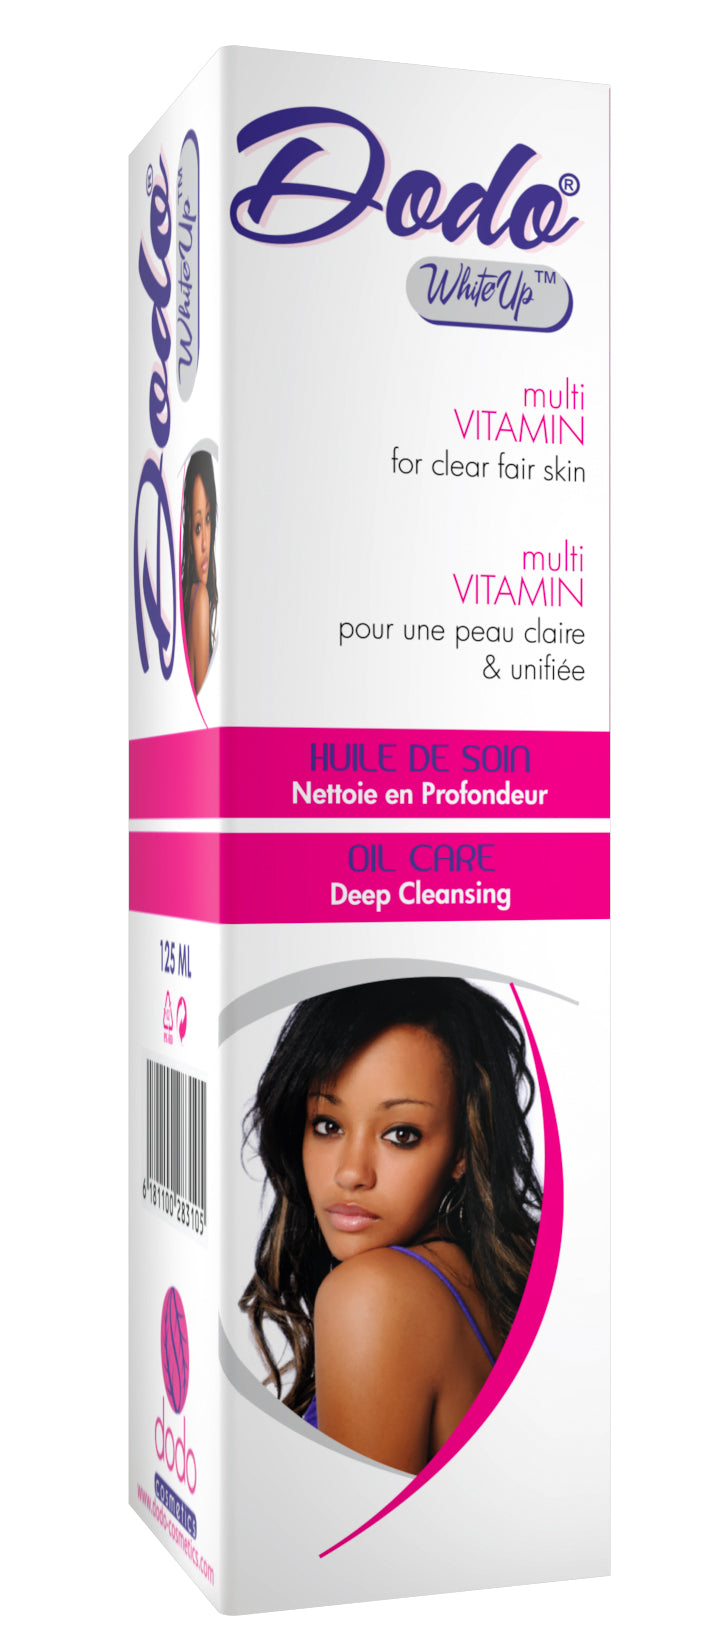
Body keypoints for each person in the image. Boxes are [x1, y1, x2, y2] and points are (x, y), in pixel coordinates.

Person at [240, 977, 541, 1474]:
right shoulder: (470, 1284)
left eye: (401, 1134)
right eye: (328, 1125)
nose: (351, 1173)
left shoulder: (374, 1295)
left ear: (461, 1151)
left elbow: (360, 1526)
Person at [181, 450, 218, 693]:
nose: (205, 542)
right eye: (196, 527)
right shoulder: (200, 597)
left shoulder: (188, 598)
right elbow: (205, 703)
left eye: (207, 519)